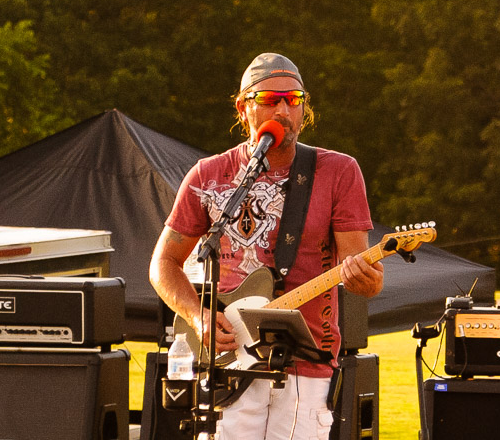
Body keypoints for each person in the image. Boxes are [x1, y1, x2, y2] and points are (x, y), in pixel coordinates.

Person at [149, 52, 384, 440]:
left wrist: (365, 277)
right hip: (227, 358)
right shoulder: (209, 175)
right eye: (270, 99)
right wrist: (199, 317)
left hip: (303, 365)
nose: (283, 108)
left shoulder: (338, 171)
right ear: (244, 108)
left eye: (294, 100)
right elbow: (163, 263)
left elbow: (365, 279)